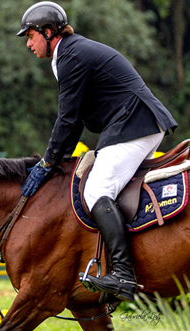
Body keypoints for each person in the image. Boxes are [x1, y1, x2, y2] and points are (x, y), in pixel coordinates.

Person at [17, 1, 178, 301]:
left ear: (48, 32)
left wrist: (47, 162)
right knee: (111, 189)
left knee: (96, 190)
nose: (28, 43)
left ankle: (123, 275)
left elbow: (66, 119)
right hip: (138, 123)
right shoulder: (71, 53)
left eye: (30, 36)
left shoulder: (71, 56)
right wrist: (54, 159)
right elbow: (75, 119)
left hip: (134, 125)